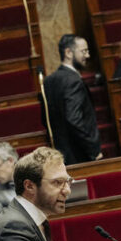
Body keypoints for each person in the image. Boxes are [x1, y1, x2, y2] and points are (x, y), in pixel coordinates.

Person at [42, 34, 102, 165]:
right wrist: (93, 149)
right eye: (84, 51)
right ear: (68, 53)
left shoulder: (49, 80)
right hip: (79, 155)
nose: (88, 56)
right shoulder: (73, 80)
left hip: (61, 155)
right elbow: (74, 119)